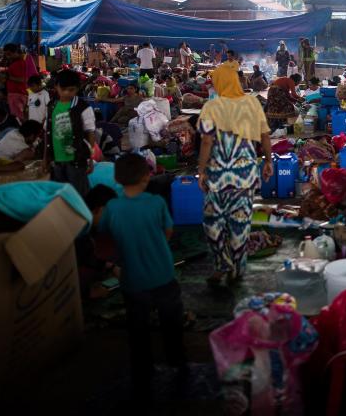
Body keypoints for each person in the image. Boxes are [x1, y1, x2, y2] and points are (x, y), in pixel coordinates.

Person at [99, 154, 187, 394]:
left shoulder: (112, 207)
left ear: (118, 179)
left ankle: (143, 374)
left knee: (138, 331)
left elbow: (104, 232)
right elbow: (168, 231)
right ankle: (178, 366)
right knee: (172, 325)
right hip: (163, 275)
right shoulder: (156, 203)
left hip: (132, 281)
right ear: (147, 176)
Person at [198, 63, 274, 286]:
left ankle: (223, 265)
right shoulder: (252, 103)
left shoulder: (212, 106)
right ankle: (237, 269)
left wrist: (201, 171)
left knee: (213, 223)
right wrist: (268, 161)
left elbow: (206, 141)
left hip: (217, 176)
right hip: (245, 176)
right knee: (240, 223)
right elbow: (265, 136)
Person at [43, 69, 96, 197]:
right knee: (60, 195)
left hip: (76, 160)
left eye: (71, 90)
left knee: (80, 196)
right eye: (63, 89)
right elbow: (47, 132)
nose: (67, 93)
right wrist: (45, 158)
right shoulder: (51, 106)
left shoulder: (83, 107)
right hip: (56, 160)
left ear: (77, 89)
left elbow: (90, 133)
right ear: (56, 87)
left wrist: (90, 157)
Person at [3, 44, 31, 120]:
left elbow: (23, 79)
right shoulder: (17, 62)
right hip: (17, 94)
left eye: (9, 54)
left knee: (19, 118)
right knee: (20, 117)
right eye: (6, 55)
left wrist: (9, 77)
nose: (7, 56)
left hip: (17, 94)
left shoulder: (20, 63)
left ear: (16, 52)